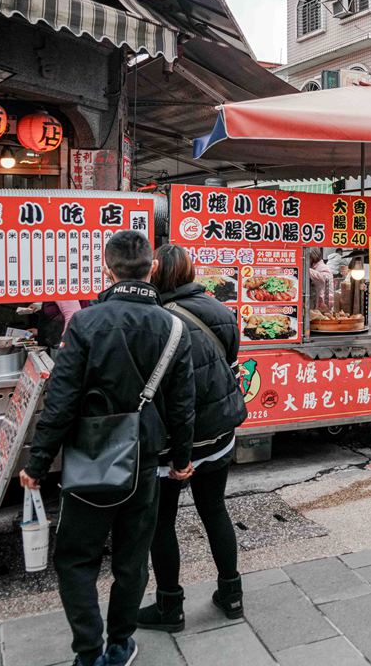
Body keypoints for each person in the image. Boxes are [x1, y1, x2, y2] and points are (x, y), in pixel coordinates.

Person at [20, 231, 196, 666]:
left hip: (90, 457)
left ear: (106, 267)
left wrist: (38, 461)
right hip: (146, 458)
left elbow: (60, 400)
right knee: (132, 559)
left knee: (77, 559)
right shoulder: (174, 326)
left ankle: (87, 651)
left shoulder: (84, 323)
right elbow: (182, 402)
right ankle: (119, 644)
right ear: (151, 268)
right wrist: (181, 459)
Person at [137, 245, 247, 632]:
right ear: (189, 272)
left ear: (155, 274)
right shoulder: (221, 310)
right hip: (218, 433)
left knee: (162, 522)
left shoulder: (154, 320)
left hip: (171, 444)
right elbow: (231, 364)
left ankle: (170, 608)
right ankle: (232, 594)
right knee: (214, 509)